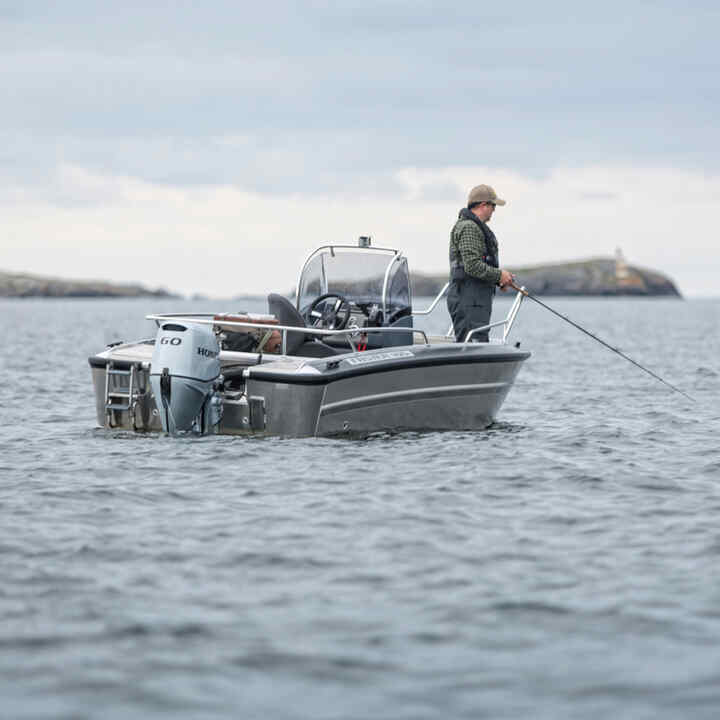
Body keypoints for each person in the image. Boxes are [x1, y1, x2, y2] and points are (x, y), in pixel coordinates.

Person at [447, 184, 515, 342]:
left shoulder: (473, 227)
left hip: (474, 300)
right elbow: (472, 265)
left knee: (475, 344)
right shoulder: (469, 228)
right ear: (483, 205)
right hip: (468, 301)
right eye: (493, 206)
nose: (494, 210)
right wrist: (499, 275)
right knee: (472, 346)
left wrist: (501, 280)